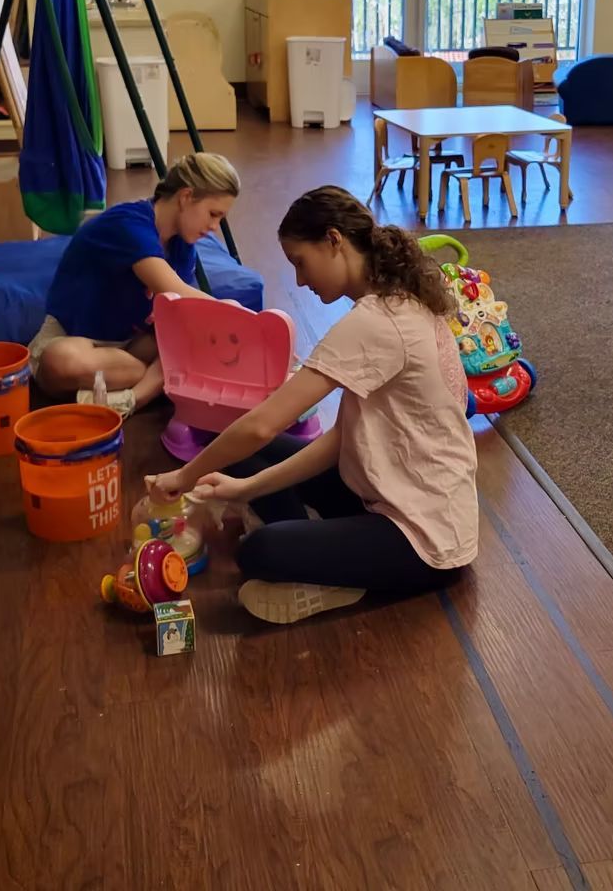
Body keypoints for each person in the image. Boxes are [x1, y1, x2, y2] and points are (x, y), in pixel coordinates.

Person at [148, 185, 477, 624]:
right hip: (388, 491)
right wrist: (245, 489)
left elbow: (263, 423)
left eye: (301, 263)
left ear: (334, 241)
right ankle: (315, 549)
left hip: (426, 541)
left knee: (260, 549)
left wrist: (183, 477)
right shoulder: (396, 299)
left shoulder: (379, 321)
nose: (300, 280)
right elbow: (343, 437)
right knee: (247, 458)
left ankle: (323, 566)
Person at [31, 152, 239, 417]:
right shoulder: (128, 225)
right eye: (213, 214)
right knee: (62, 360)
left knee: (198, 330)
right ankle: (151, 384)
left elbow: (179, 314)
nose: (214, 226)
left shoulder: (183, 245)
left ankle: (130, 398)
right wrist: (252, 325)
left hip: (128, 343)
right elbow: (176, 291)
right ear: (186, 197)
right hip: (75, 338)